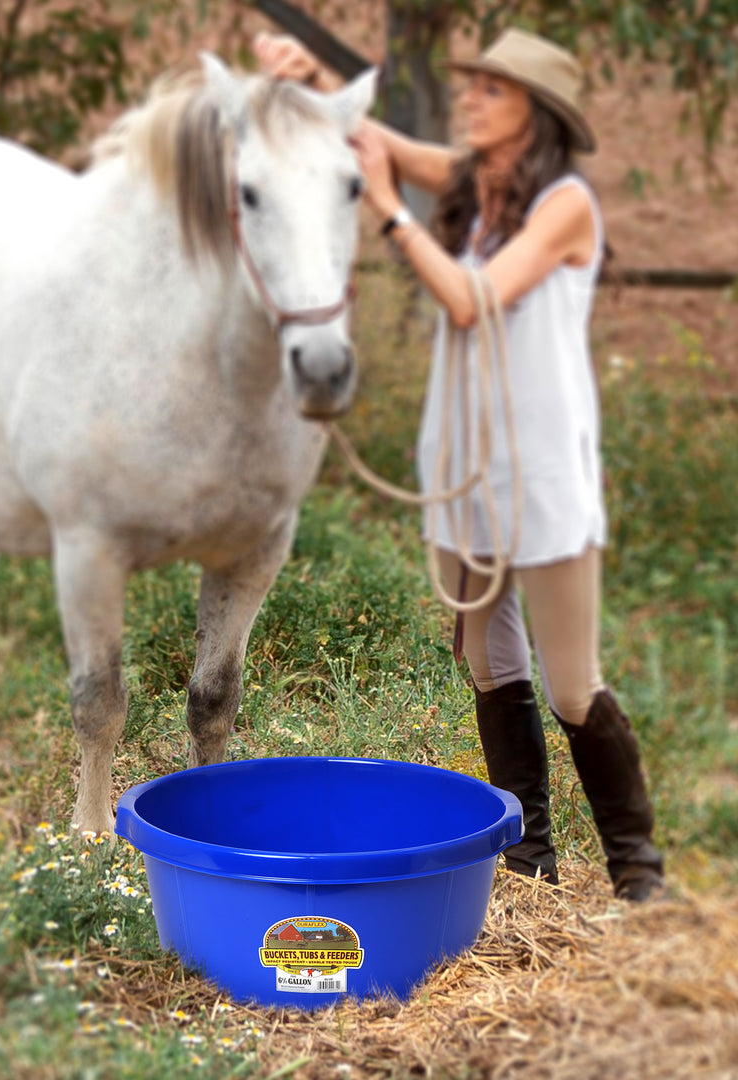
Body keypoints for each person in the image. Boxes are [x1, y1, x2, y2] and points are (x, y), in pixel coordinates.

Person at [256, 27, 666, 901]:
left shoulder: (566, 205)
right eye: (471, 86)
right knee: (488, 661)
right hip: (462, 467)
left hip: (543, 471)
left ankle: (639, 874)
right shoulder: (476, 188)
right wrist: (308, 80)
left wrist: (392, 214)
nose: (471, 99)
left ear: (537, 114)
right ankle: (530, 859)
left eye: (492, 90)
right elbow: (372, 141)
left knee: (571, 681)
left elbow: (474, 300)